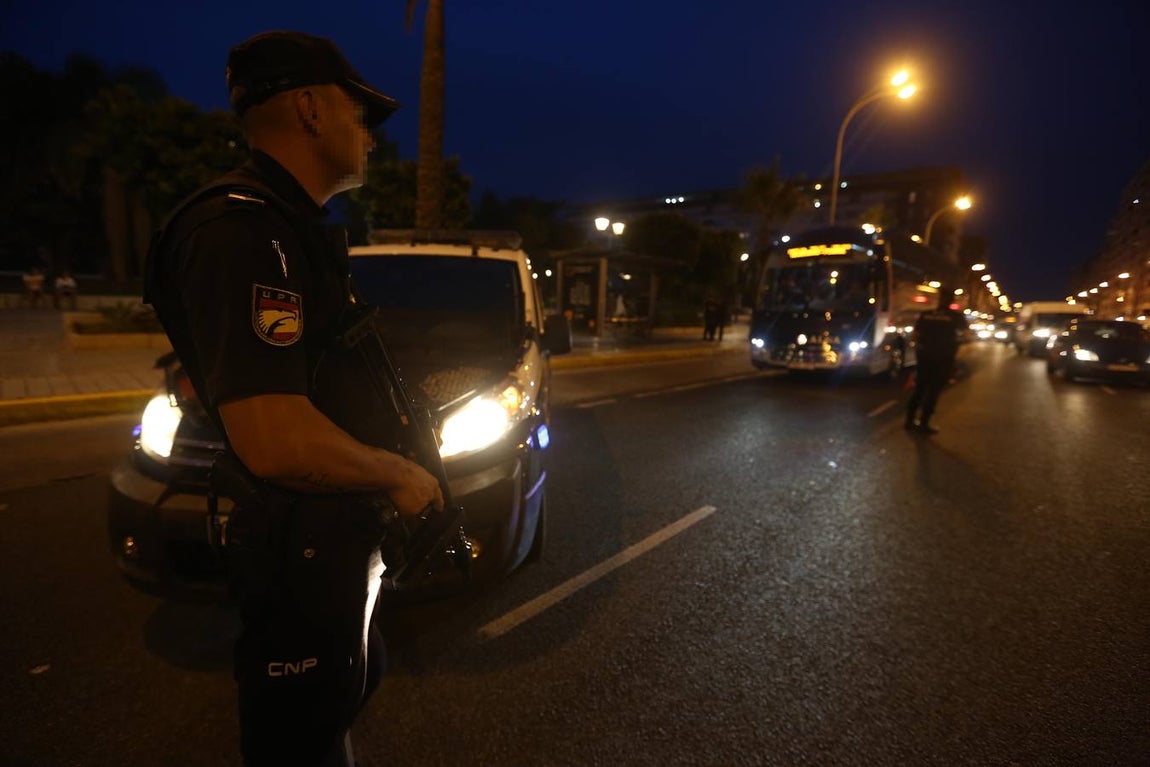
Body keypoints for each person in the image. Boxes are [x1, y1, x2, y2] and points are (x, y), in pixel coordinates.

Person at [145, 31, 442, 766]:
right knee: (300, 738)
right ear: (309, 108)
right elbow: (273, 434)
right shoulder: (241, 230)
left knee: (340, 698)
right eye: (357, 111)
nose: (369, 134)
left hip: (332, 541)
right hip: (297, 549)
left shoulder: (285, 228)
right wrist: (402, 475)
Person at [905, 287, 967, 434]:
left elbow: (915, 336)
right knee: (934, 391)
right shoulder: (956, 317)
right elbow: (966, 336)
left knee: (919, 388)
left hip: (924, 356)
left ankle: (909, 421)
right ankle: (924, 423)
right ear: (952, 301)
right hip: (944, 357)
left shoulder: (926, 315)